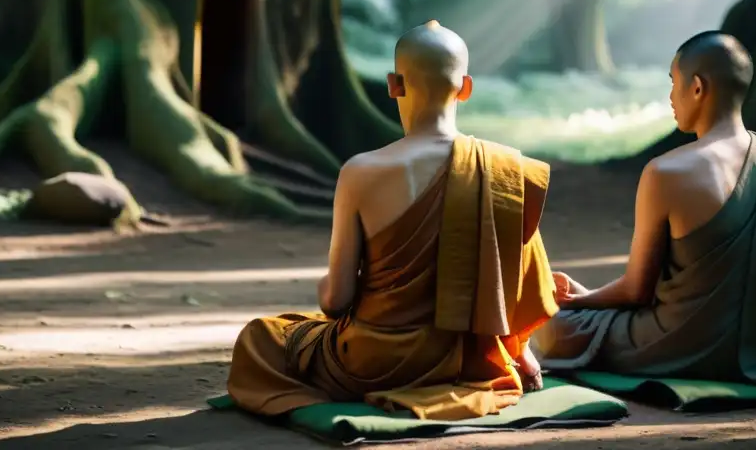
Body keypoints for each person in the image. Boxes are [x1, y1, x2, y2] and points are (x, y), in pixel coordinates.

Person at [227, 21, 560, 420]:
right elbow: (520, 286)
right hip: (468, 362)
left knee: (261, 337)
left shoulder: (361, 171)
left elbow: (335, 302)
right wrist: (519, 352)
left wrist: (329, 285)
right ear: (466, 87)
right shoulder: (504, 170)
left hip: (371, 364)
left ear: (393, 84)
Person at [537, 31, 756, 386]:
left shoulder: (666, 172)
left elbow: (636, 292)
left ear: (697, 87)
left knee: (549, 324)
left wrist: (576, 302)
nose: (671, 97)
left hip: (680, 345)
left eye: (673, 83)